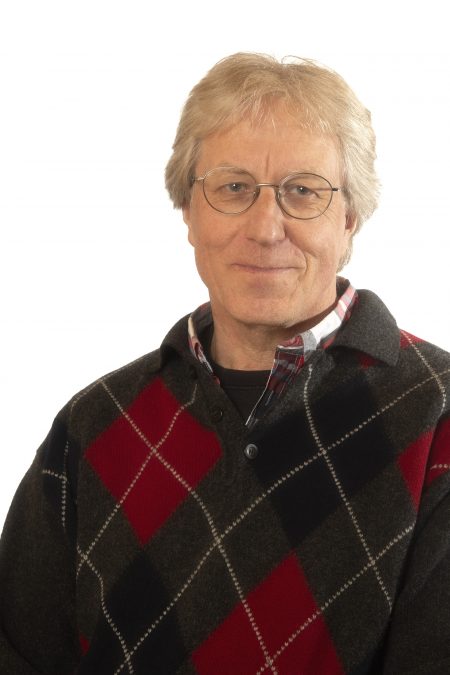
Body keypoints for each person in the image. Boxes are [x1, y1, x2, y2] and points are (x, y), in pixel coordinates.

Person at [1, 52, 450, 675]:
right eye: (233, 187)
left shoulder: (437, 416)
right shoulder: (93, 424)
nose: (265, 228)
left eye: (303, 191)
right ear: (189, 211)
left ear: (350, 219)